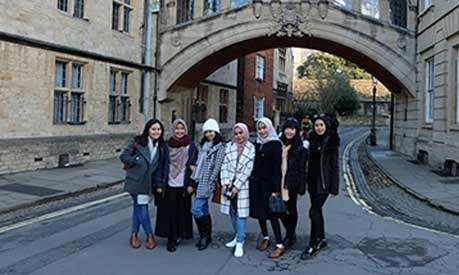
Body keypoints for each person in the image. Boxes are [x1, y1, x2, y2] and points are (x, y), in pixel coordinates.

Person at [120, 118, 169, 250]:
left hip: (147, 184)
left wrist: (159, 184)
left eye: (158, 129)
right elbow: (123, 156)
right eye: (153, 129)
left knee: (138, 208)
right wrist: (136, 160)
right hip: (135, 182)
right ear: (148, 130)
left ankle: (134, 235)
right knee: (142, 208)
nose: (156, 132)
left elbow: (160, 167)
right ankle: (149, 235)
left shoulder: (162, 146)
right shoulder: (138, 142)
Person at [301, 114, 340, 260]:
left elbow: (335, 165)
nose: (319, 128)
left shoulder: (331, 141)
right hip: (312, 181)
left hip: (324, 183)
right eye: (316, 125)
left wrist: (334, 187)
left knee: (313, 212)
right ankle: (322, 238)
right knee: (317, 211)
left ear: (326, 126)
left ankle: (313, 244)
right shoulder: (311, 139)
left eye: (321, 125)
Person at [155, 119, 197, 252]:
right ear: (173, 130)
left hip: (184, 185)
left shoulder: (191, 146)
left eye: (182, 129)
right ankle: (171, 238)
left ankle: (180, 234)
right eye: (177, 129)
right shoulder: (166, 146)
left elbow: (195, 166)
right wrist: (158, 184)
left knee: (183, 211)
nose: (179, 131)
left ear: (186, 130)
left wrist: (192, 184)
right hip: (169, 184)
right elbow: (160, 165)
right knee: (170, 212)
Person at [249, 117, 285, 259]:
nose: (262, 131)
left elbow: (277, 169)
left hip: (270, 185)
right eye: (259, 128)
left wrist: (276, 190)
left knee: (272, 215)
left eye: (264, 128)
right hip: (257, 184)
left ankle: (280, 244)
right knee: (260, 213)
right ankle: (265, 237)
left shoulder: (275, 144)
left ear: (269, 128)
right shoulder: (257, 144)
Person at [220, 123, 255, 258]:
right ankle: (237, 235)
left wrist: (237, 186)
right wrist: (225, 183)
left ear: (245, 133)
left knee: (241, 213)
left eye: (241, 133)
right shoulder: (229, 147)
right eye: (236, 133)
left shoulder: (251, 148)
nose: (238, 136)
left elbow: (248, 169)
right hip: (228, 184)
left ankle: (240, 241)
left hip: (242, 185)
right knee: (232, 211)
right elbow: (224, 165)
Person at [190, 118, 226, 251]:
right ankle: (206, 235)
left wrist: (211, 183)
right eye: (206, 132)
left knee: (196, 209)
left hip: (207, 182)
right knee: (203, 209)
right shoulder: (202, 146)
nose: (209, 134)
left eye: (211, 131)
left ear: (216, 132)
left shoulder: (220, 147)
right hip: (198, 180)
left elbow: (217, 167)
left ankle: (204, 236)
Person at [279, 118, 308, 249]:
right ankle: (291, 233)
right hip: (278, 181)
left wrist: (301, 189)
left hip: (292, 183)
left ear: (296, 131)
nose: (289, 131)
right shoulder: (278, 144)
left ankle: (290, 236)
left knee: (291, 209)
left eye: (292, 129)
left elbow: (302, 170)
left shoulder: (300, 148)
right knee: (278, 209)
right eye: (287, 128)